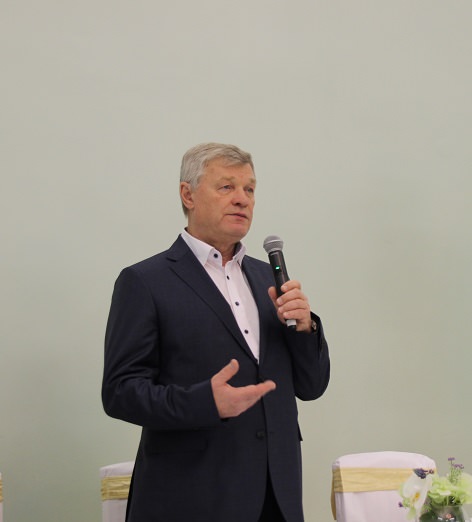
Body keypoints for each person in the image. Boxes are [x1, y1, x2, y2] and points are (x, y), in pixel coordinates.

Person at [102, 142, 330, 522]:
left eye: (249, 189)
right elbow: (120, 393)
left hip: (277, 497)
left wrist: (305, 329)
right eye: (227, 187)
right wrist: (205, 402)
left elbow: (312, 386)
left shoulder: (268, 278)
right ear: (188, 195)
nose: (242, 199)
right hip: (190, 499)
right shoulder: (145, 281)